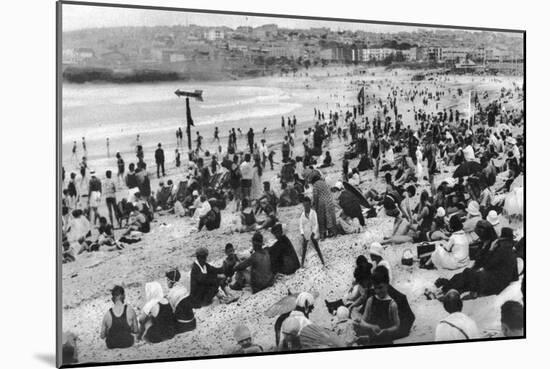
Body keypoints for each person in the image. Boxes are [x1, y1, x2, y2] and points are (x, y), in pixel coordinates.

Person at [353, 266, 400, 345]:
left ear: (387, 285)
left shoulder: (392, 305)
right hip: (372, 341)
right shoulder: (370, 301)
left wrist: (386, 331)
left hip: (386, 341)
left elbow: (396, 326)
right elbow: (363, 321)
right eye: (375, 288)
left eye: (381, 287)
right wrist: (368, 325)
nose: (378, 291)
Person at [165, 269, 196, 334]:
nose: (166, 282)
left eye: (167, 280)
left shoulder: (171, 293)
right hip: (193, 323)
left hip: (183, 326)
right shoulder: (183, 288)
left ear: (170, 281)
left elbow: (171, 311)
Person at [308, 170, 337, 239]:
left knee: (321, 218)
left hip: (322, 202)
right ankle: (332, 232)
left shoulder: (315, 185)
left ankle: (323, 234)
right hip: (329, 200)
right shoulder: (323, 182)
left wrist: (315, 205)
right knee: (329, 216)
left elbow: (315, 196)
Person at [299, 196, 325, 267]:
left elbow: (316, 224)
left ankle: (322, 261)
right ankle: (302, 263)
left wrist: (313, 232)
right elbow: (301, 225)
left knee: (317, 247)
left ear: (310, 204)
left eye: (307, 205)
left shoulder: (313, 213)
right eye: (305, 205)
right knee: (304, 248)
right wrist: (302, 233)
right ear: (303, 205)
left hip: (312, 232)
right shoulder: (302, 214)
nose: (306, 207)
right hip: (306, 232)